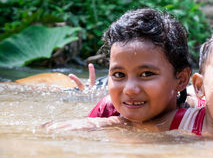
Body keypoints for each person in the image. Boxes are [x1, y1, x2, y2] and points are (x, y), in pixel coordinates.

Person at [46, 8, 192, 130]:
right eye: (118, 74)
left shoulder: (200, 116)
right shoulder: (107, 110)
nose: (129, 90)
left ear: (181, 79)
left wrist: (116, 123)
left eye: (146, 74)